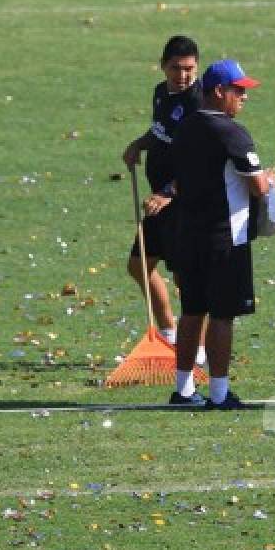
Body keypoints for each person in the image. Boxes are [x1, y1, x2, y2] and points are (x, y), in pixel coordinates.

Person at [168, 59, 274, 409]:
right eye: (238, 90)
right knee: (222, 316)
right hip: (225, 240)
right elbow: (258, 186)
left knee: (192, 312)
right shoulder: (232, 133)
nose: (244, 97)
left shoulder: (185, 126)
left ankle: (183, 390)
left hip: (187, 235)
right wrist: (270, 179)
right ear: (219, 92)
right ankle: (218, 392)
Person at [121, 35, 202, 347]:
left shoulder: (198, 103)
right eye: (175, 68)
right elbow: (160, 131)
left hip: (184, 203)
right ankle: (168, 331)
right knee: (138, 265)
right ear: (163, 66)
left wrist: (169, 192)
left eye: (189, 70)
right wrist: (139, 144)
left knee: (188, 280)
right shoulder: (160, 93)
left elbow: (200, 161)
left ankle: (199, 349)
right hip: (159, 203)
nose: (182, 76)